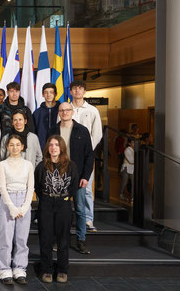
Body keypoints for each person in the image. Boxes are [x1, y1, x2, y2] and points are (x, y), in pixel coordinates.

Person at [48, 102, 94, 254]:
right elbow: (47, 153)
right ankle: (57, 239)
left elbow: (89, 156)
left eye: (67, 110)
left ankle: (81, 240)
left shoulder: (82, 130)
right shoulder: (53, 130)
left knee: (80, 209)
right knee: (58, 210)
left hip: (78, 176)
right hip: (58, 176)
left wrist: (86, 177)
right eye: (61, 110)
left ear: (72, 112)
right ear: (59, 113)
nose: (64, 112)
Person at [36, 135, 79, 284]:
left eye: (56, 145)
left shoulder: (71, 166)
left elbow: (74, 186)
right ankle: (47, 269)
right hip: (46, 203)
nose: (54, 147)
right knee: (46, 238)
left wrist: (65, 197)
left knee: (63, 239)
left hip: (63, 203)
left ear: (61, 148)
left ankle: (62, 270)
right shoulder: (41, 166)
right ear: (47, 148)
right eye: (51, 145)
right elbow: (37, 186)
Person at [0, 134, 34, 285]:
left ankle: (19, 268)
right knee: (5, 238)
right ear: (7, 147)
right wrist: (11, 207)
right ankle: (4, 269)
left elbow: (31, 187)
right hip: (7, 201)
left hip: (24, 200)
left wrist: (24, 207)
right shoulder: (2, 164)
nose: (15, 147)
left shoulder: (28, 164)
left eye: (17, 144)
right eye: (11, 145)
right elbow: (2, 187)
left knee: (21, 239)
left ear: (22, 146)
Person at [70, 80, 102, 233]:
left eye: (80, 88)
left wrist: (87, 151)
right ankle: (69, 219)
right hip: (68, 157)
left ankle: (88, 219)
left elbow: (97, 133)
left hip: (85, 157)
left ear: (84, 91)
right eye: (74, 89)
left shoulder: (92, 110)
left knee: (87, 189)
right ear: (70, 91)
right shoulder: (66, 109)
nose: (77, 91)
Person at [33, 83, 60, 151]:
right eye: (46, 92)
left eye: (51, 92)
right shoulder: (37, 113)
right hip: (42, 149)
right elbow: (34, 132)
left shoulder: (61, 111)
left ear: (56, 94)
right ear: (42, 94)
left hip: (58, 148)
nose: (48, 95)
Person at [119, 138, 135, 202]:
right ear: (129, 143)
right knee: (124, 182)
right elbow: (131, 160)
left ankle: (133, 197)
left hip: (132, 168)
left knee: (133, 183)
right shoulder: (127, 150)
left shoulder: (134, 150)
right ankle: (121, 194)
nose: (134, 144)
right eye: (133, 142)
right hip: (126, 167)